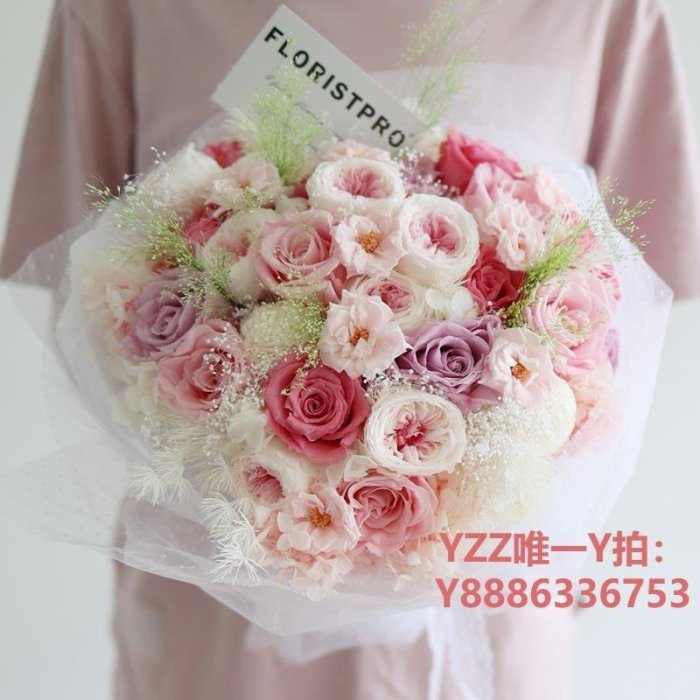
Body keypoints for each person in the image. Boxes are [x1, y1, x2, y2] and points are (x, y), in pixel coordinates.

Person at [2, 1, 699, 698]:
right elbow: (86, 285)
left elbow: (629, 305)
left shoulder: (606, 11)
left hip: (481, 607)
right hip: (217, 606)